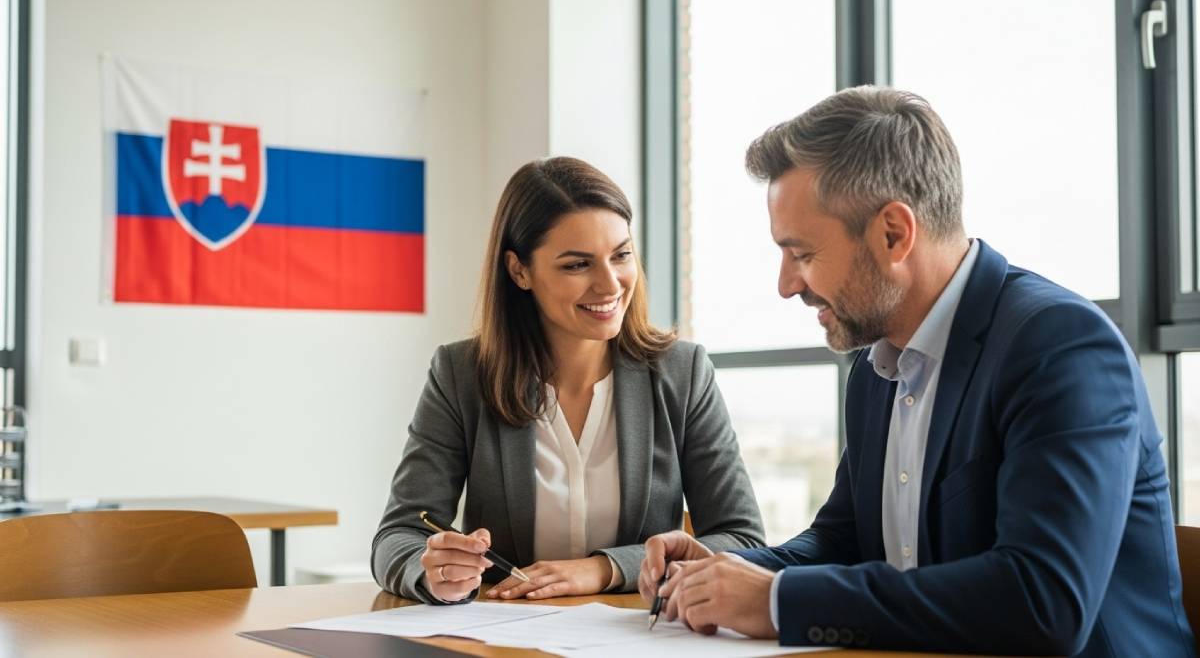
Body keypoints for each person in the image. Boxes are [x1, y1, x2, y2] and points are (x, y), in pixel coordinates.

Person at [638, 86, 1196, 657]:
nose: (787, 285)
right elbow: (844, 541)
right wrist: (726, 573)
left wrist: (779, 600)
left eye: (802, 254)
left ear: (893, 234)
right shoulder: (876, 367)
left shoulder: (1060, 348)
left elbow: (1043, 601)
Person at [373, 156, 764, 605]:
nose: (609, 284)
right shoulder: (461, 375)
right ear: (520, 271)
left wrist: (605, 568)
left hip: (638, 642)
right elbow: (398, 535)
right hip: (505, 641)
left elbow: (743, 541)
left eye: (621, 255)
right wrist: (431, 570)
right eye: (577, 265)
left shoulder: (682, 372)